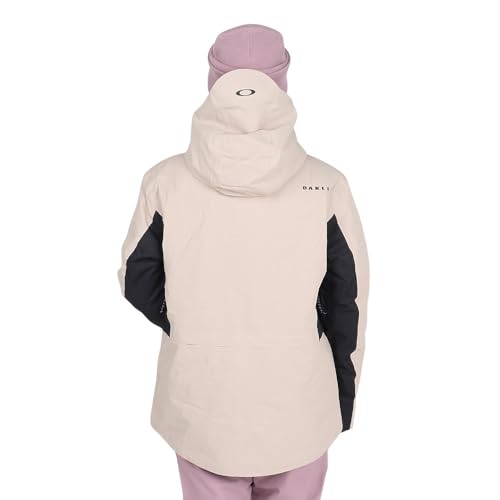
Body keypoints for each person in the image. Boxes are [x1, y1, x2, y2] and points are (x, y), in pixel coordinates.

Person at [117, 23, 370, 500]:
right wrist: (342, 397)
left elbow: (137, 279)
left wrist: (191, 324)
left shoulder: (164, 181)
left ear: (212, 82)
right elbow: (347, 302)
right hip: (299, 406)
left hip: (201, 405)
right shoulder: (325, 184)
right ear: (283, 84)